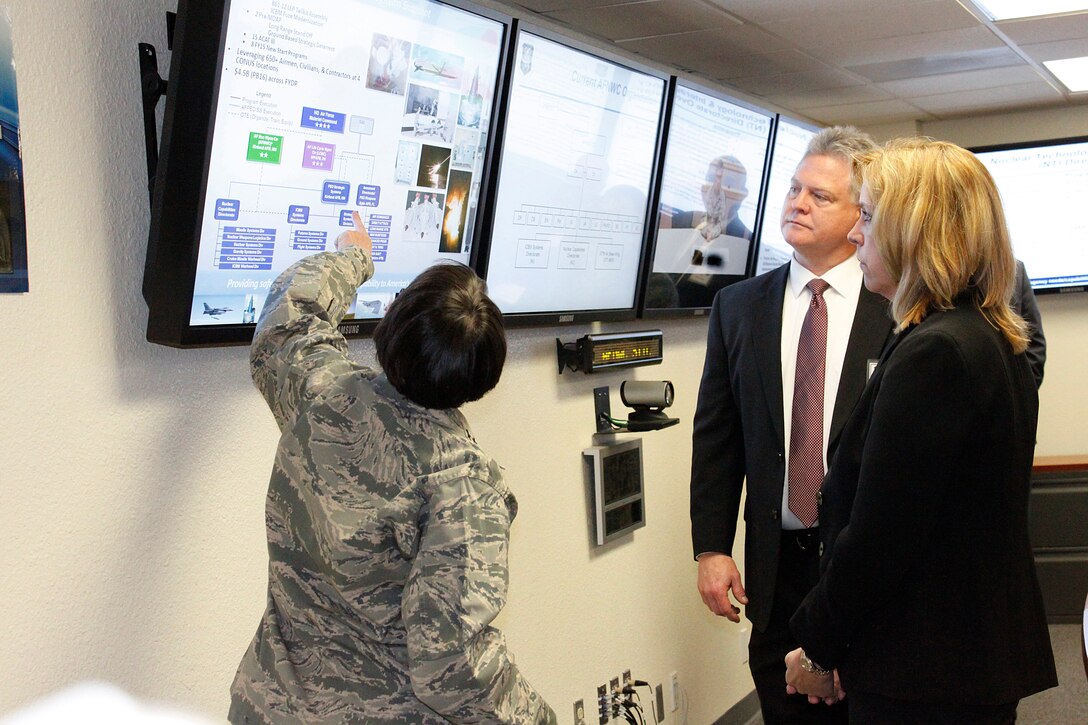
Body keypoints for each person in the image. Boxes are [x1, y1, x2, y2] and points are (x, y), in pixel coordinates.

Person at [229, 211, 556, 725]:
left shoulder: (322, 394)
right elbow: (454, 666)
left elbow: (290, 313)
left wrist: (355, 254)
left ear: (393, 322)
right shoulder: (462, 488)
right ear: (485, 374)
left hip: (272, 709)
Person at [785, 138, 1057, 723]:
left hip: (926, 666)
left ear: (916, 230)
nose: (857, 235)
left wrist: (818, 645)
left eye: (870, 217)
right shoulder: (982, 334)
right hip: (957, 658)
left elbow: (883, 534)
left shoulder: (936, 352)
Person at [690, 126, 893, 724]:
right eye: (793, 189)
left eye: (820, 196)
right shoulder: (740, 306)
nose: (798, 204)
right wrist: (711, 547)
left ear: (863, 213)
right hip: (776, 568)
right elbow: (717, 437)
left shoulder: (900, 305)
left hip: (864, 566)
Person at [1013, 259, 1046, 387]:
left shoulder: (1016, 268)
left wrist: (1023, 391)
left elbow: (1034, 341)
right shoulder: (949, 272)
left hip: (1013, 395)